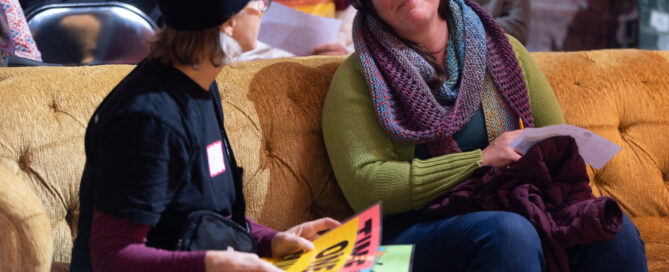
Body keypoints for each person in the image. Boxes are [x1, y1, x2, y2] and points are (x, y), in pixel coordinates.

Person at [321, 0, 647, 271]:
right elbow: (367, 187)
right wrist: (481, 160)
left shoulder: (505, 51)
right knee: (509, 232)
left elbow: (561, 149)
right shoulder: (358, 77)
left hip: (512, 206)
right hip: (397, 245)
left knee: (611, 227)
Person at [70, 0, 340, 271]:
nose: (263, 7)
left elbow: (206, 217)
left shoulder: (200, 85)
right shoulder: (149, 121)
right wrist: (216, 263)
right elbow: (110, 256)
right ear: (229, 22)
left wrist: (271, 240)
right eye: (259, 2)